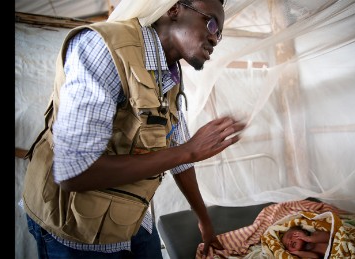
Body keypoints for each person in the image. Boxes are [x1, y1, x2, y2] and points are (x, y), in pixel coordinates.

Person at [21, 0, 246, 258]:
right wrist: (190, 151)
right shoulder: (102, 49)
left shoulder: (169, 76)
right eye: (212, 23)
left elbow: (179, 152)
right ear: (174, 8)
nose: (215, 38)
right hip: (74, 230)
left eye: (220, 33)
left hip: (130, 216)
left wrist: (204, 222)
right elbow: (74, 171)